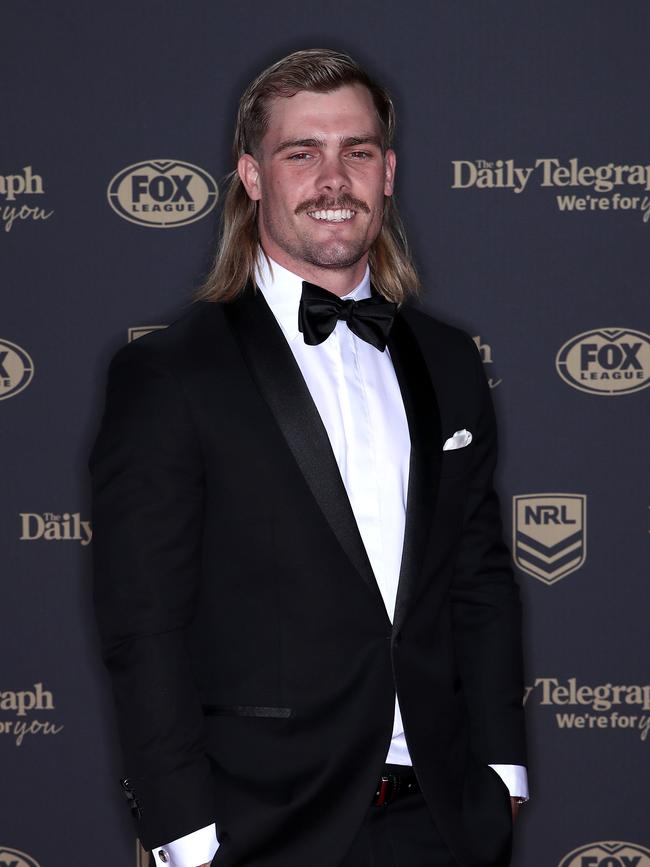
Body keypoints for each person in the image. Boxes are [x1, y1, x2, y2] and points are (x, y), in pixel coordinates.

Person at [90, 48, 528, 867]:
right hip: (260, 827)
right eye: (303, 153)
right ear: (253, 177)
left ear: (388, 171)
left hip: (441, 820)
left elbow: (479, 576)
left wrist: (503, 772)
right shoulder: (170, 374)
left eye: (356, 151)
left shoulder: (450, 360)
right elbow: (143, 625)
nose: (334, 179)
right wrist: (184, 833)